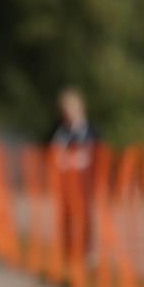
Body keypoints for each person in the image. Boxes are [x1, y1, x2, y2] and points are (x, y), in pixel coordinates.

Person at [48, 87, 100, 263]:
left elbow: (97, 152)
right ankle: (68, 249)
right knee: (67, 215)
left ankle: (87, 248)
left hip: (84, 179)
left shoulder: (90, 131)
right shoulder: (62, 132)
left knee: (85, 213)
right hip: (66, 181)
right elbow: (56, 152)